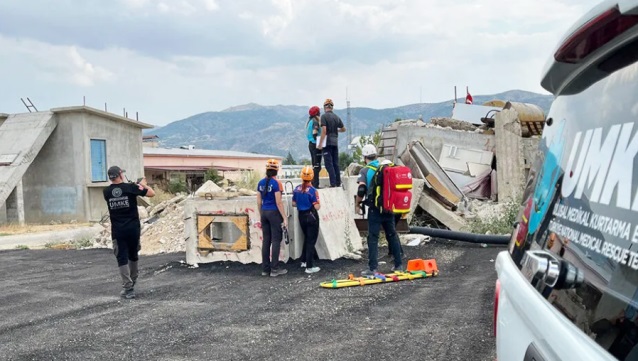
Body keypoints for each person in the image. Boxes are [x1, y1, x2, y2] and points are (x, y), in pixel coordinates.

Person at [103, 166, 155, 299]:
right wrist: (141, 184)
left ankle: (128, 287)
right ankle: (133, 280)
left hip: (118, 230)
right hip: (133, 228)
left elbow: (118, 191)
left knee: (121, 257)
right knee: (133, 255)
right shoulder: (131, 187)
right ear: (120, 174)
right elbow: (151, 193)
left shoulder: (106, 192)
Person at [355, 144, 403, 276]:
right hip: (389, 208)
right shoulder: (386, 168)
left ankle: (373, 268)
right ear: (376, 155)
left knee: (373, 237)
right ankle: (398, 265)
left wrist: (357, 204)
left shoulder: (365, 171)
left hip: (374, 209)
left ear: (365, 157)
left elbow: (361, 189)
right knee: (392, 235)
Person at [256, 159, 288, 277]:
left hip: (264, 212)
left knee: (266, 241)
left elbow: (259, 202)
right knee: (275, 240)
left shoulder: (260, 183)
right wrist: (284, 217)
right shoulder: (276, 184)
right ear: (277, 171)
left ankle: (265, 269)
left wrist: (261, 214)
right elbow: (279, 202)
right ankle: (274, 269)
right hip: (274, 213)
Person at [292, 166, 321, 274]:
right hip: (311, 216)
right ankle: (309, 266)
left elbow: (293, 203)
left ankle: (304, 260)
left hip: (301, 216)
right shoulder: (313, 191)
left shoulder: (296, 189)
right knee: (311, 240)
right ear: (312, 177)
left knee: (306, 238)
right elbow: (317, 207)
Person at [317, 98, 346, 187]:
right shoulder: (336, 117)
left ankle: (333, 183)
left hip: (327, 143)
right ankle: (338, 182)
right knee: (335, 163)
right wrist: (336, 130)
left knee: (328, 164)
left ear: (325, 107)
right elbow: (343, 129)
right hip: (335, 142)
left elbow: (324, 131)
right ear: (332, 107)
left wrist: (321, 144)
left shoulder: (324, 117)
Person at [306, 106, 323, 188]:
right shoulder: (315, 122)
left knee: (314, 165)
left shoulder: (309, 121)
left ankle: (313, 183)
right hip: (315, 145)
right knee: (317, 166)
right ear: (317, 113)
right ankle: (315, 184)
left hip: (311, 144)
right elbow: (315, 133)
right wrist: (319, 144)